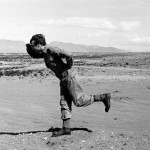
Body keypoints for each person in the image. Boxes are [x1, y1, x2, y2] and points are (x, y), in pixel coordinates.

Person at [26, 34, 111, 137]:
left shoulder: (51, 49)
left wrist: (69, 63)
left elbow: (69, 53)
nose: (32, 47)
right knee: (64, 102)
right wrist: (28, 48)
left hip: (70, 77)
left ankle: (103, 97)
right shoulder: (44, 53)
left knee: (79, 101)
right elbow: (35, 54)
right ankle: (66, 129)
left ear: (39, 44)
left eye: (33, 45)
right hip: (63, 80)